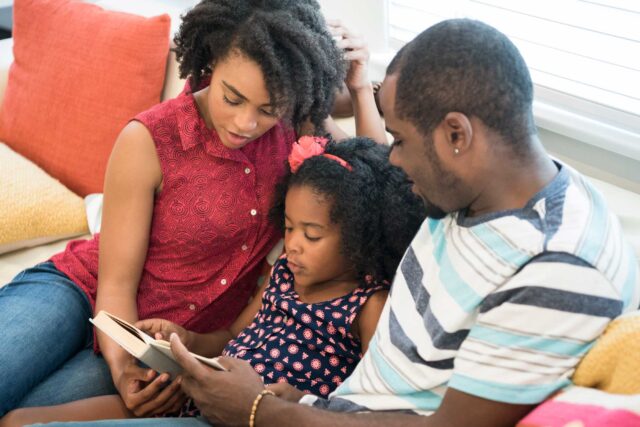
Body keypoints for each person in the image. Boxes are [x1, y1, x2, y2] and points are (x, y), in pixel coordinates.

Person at [34, 18, 640, 427]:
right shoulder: (472, 198)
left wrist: (258, 409)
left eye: (399, 140)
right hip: (307, 406)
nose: (393, 159)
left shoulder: (557, 268)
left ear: (457, 134)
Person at [0, 0, 387, 418]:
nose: (245, 123)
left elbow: (376, 185)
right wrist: (119, 366)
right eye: (232, 98)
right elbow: (115, 285)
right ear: (212, 61)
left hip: (166, 342)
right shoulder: (149, 139)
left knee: (27, 416)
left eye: (267, 110)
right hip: (79, 291)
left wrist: (363, 88)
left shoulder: (297, 128)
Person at [1, 136, 426, 426]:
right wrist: (180, 337)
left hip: (248, 416)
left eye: (311, 236)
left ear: (360, 239)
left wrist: (292, 403)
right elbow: (228, 335)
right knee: (18, 420)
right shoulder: (282, 277)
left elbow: (375, 399)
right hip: (192, 396)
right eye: (289, 228)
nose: (292, 245)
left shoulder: (369, 305)